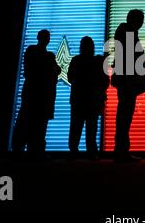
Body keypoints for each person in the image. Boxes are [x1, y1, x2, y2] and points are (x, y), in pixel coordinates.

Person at [12, 29, 61, 158]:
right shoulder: (46, 55)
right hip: (40, 95)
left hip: (33, 93)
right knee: (37, 123)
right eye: (47, 37)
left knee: (27, 121)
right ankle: (34, 150)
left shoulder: (32, 51)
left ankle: (23, 149)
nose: (47, 39)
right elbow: (56, 71)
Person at [111, 9, 145, 162]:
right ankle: (121, 151)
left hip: (127, 81)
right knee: (125, 115)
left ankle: (121, 151)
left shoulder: (126, 32)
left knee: (124, 115)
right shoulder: (128, 32)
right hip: (128, 81)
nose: (142, 23)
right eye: (140, 19)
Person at [67, 36, 109, 160]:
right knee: (91, 127)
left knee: (76, 126)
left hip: (78, 98)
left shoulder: (76, 60)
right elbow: (105, 81)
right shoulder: (98, 61)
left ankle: (74, 151)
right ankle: (91, 152)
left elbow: (70, 78)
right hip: (93, 99)